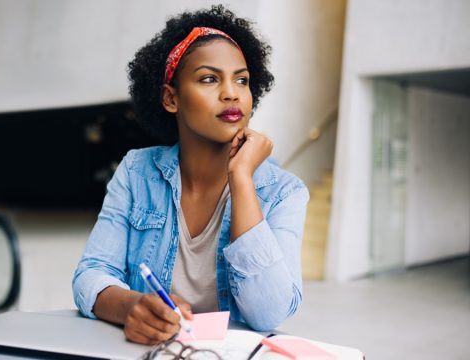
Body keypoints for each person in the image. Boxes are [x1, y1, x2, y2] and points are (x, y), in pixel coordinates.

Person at [72, 5, 309, 345]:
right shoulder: (137, 172)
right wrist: (131, 307)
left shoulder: (285, 192)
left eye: (241, 80)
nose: (231, 93)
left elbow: (268, 314)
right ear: (171, 98)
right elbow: (91, 274)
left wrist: (242, 178)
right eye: (209, 78)